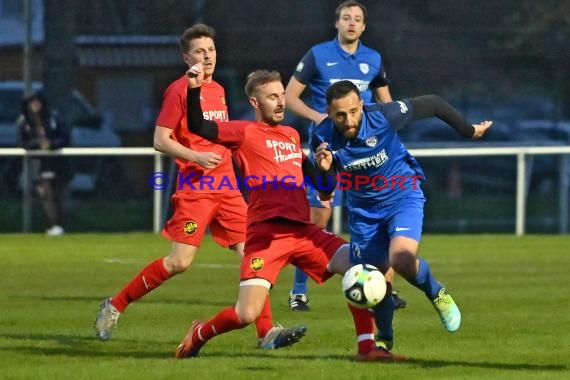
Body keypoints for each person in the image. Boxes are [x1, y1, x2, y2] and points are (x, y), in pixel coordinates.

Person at [94, 24, 304, 350]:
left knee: (253, 255)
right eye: (199, 52)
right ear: (185, 57)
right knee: (179, 262)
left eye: (211, 51)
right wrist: (195, 155)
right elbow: (160, 140)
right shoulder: (179, 90)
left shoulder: (218, 89)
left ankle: (266, 333)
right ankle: (115, 304)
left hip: (228, 188)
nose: (207, 57)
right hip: (196, 187)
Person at [176, 66, 407, 362]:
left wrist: (324, 171)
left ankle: (368, 348)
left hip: (303, 231)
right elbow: (200, 127)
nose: (281, 102)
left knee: (359, 267)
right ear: (255, 103)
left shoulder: (289, 135)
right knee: (246, 313)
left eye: (283, 95)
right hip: (266, 235)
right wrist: (194, 89)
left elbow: (323, 186)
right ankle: (199, 334)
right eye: (272, 96)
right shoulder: (244, 131)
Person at [312, 80, 492, 350]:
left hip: (402, 195)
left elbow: (432, 102)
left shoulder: (384, 116)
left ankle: (437, 293)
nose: (348, 120)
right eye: (340, 115)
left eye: (353, 111)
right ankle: (384, 338)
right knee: (376, 277)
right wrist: (325, 171)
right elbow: (326, 193)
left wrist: (468, 131)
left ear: (361, 104)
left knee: (403, 259)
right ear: (329, 112)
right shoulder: (322, 136)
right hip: (364, 212)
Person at [285, 0, 406, 311]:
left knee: (382, 217)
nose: (351, 23)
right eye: (346, 18)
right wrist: (319, 119)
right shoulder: (318, 55)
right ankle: (299, 291)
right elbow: (289, 97)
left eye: (357, 19)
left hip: (366, 152)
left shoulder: (373, 59)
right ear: (336, 23)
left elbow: (386, 103)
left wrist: (389, 140)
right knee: (318, 218)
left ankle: (385, 288)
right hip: (329, 150)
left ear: (364, 26)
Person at [17, 93, 70, 236]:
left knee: (58, 193)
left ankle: (58, 225)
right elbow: (23, 142)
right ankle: (53, 225)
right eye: (32, 103)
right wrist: (38, 145)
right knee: (46, 193)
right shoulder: (24, 122)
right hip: (38, 163)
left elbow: (65, 137)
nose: (35, 105)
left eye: (37, 102)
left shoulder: (53, 119)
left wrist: (51, 144)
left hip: (56, 162)